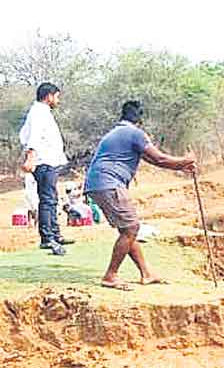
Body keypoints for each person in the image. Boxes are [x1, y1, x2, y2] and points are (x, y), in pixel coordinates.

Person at [84, 100, 197, 291]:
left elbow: (153, 160)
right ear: (140, 119)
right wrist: (186, 160)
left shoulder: (118, 133)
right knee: (131, 228)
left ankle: (146, 273)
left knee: (128, 230)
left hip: (99, 183)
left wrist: (181, 166)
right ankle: (110, 276)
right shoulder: (134, 133)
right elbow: (159, 157)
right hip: (108, 183)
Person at [19, 82, 70, 254]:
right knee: (47, 199)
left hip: (49, 161)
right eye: (57, 96)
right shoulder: (38, 113)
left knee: (52, 198)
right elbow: (32, 137)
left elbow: (23, 134)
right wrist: (31, 156)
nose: (58, 100)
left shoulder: (41, 112)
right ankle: (47, 237)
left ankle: (55, 234)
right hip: (43, 161)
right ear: (49, 96)